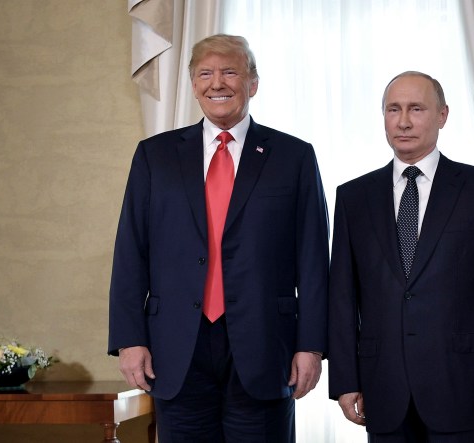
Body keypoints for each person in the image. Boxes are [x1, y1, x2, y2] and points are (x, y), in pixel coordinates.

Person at [108, 34, 329, 443]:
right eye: (206, 73)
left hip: (266, 346)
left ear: (253, 83)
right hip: (176, 347)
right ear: (194, 85)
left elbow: (314, 260)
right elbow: (130, 253)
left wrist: (311, 346)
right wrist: (129, 340)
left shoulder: (294, 157)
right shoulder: (154, 156)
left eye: (230, 72)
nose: (217, 83)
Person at [328, 71, 474, 442]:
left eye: (416, 109)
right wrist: (345, 380)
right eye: (393, 109)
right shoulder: (353, 197)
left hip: (464, 387)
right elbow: (341, 297)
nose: (403, 121)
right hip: (382, 389)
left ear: (442, 115)